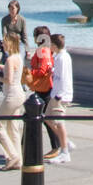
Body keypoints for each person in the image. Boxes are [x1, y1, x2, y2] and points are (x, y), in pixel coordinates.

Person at [0, 32, 26, 169]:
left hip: (11, 95)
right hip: (19, 94)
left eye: (5, 42)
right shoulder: (18, 57)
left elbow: (8, 80)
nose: (3, 44)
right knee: (13, 127)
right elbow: (13, 72)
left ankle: (12, 155)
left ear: (10, 43)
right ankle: (18, 160)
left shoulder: (10, 60)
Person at [23, 26, 58, 156]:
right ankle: (57, 145)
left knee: (41, 118)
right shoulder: (47, 50)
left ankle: (57, 146)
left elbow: (42, 71)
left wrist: (29, 72)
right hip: (45, 88)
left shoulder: (43, 51)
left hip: (43, 89)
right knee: (43, 118)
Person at [45, 33, 75, 163]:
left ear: (54, 45)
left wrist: (60, 96)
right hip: (55, 94)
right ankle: (66, 142)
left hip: (60, 96)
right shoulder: (60, 57)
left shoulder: (62, 58)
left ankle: (65, 152)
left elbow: (64, 78)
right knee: (47, 118)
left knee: (59, 122)